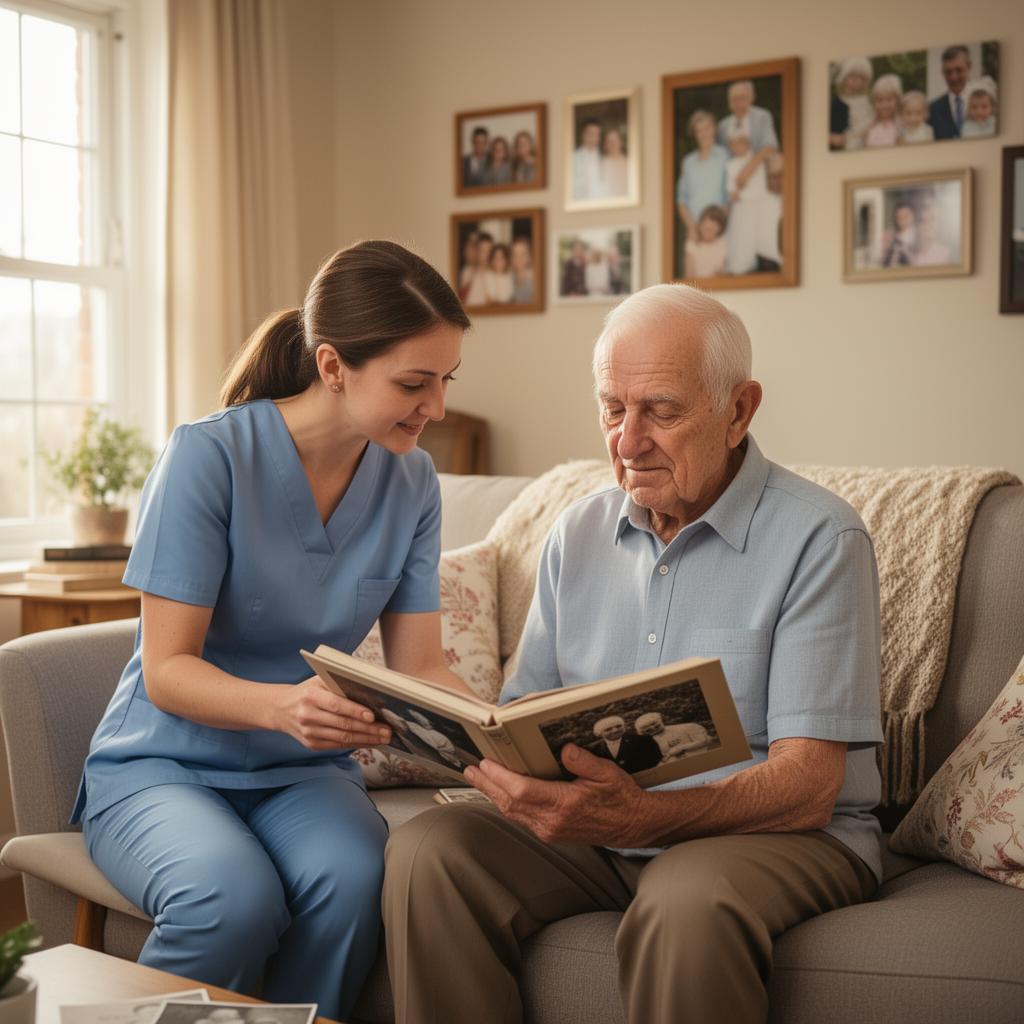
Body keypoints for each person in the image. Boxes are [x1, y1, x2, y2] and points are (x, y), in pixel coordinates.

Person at [382, 283, 882, 1024]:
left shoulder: (822, 540)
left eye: (662, 410)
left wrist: (643, 817)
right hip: (600, 830)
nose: (628, 439)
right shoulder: (575, 533)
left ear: (739, 410)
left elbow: (808, 785)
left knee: (684, 905)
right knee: (430, 855)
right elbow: (527, 709)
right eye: (613, 409)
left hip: (778, 833)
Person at [71, 240, 476, 1021]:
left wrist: (497, 736)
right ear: (333, 367)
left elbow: (421, 665)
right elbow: (167, 670)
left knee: (357, 879)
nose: (437, 407)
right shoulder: (208, 457)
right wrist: (285, 708)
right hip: (162, 763)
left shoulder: (413, 480)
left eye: (445, 380)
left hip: (303, 773)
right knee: (230, 896)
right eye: (413, 383)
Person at [724, 128, 781, 274]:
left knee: (769, 239)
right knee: (743, 242)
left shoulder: (760, 160)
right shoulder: (731, 165)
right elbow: (736, 186)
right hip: (745, 207)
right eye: (734, 144)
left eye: (742, 143)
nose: (739, 147)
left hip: (764, 204)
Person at [675, 109, 728, 244]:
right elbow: (681, 200)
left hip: (719, 231)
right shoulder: (688, 162)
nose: (704, 133)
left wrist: (715, 228)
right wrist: (692, 228)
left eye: (707, 128)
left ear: (714, 129)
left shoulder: (725, 156)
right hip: (695, 233)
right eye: (699, 130)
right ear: (695, 134)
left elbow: (730, 195)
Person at [716, 80, 779, 154]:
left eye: (742, 98)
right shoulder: (723, 125)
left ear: (751, 98)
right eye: (734, 99)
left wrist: (749, 165)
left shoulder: (762, 117)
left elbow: (771, 146)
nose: (738, 103)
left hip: (758, 164)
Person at [587, 716, 662, 773]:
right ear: (599, 734)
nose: (615, 730)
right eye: (608, 729)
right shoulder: (592, 749)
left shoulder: (643, 740)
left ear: (624, 726)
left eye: (619, 726)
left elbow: (655, 759)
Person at [829, 57, 873, 151]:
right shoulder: (836, 104)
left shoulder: (867, 103)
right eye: (853, 77)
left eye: (862, 79)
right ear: (844, 78)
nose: (857, 82)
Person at [929, 44, 972, 140]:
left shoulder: (985, 102)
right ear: (942, 72)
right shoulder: (934, 108)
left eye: (959, 70)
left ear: (969, 67)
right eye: (948, 72)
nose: (953, 77)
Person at [634, 713, 711, 761]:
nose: (653, 729)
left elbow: (704, 740)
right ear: (643, 732)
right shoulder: (648, 742)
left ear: (661, 720)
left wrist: (680, 748)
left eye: (656, 726)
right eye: (648, 730)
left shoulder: (689, 727)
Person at [684, 204, 729, 278]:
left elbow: (727, 273)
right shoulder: (692, 245)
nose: (709, 229)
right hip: (698, 288)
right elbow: (689, 277)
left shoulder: (723, 243)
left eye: (713, 227)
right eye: (706, 227)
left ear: (720, 229)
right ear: (700, 225)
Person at [863, 74, 902, 149]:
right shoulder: (869, 126)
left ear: (897, 100)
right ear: (873, 103)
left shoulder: (901, 124)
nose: (884, 105)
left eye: (889, 100)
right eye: (880, 100)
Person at [911, 201, 952, 266]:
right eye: (923, 220)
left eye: (932, 220)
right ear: (917, 225)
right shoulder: (910, 254)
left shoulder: (945, 253)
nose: (927, 225)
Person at [572, 117, 604, 200]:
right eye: (590, 134)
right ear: (583, 135)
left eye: (596, 135)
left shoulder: (603, 159)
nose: (593, 138)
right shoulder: (573, 158)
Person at [462, 231, 493, 307]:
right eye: (482, 250)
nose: (485, 255)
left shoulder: (494, 274)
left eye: (488, 251)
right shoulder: (467, 271)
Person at [881, 203, 917, 267]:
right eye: (899, 217)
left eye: (905, 216)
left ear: (912, 216)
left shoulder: (919, 235)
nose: (903, 220)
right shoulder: (892, 236)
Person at [601, 127, 629, 196]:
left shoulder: (630, 162)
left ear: (621, 142)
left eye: (615, 140)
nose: (613, 144)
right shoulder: (600, 163)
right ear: (605, 145)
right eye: (609, 141)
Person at [510, 236, 535, 304]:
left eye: (523, 254)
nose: (518, 258)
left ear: (529, 256)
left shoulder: (534, 279)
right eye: (515, 254)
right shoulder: (509, 277)